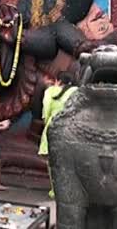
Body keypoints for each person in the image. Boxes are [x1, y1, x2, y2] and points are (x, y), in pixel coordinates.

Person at [38, 71, 78, 199]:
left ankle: (55, 189)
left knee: (52, 163)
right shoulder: (76, 92)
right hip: (71, 128)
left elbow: (46, 113)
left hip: (53, 126)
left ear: (58, 80)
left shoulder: (50, 92)